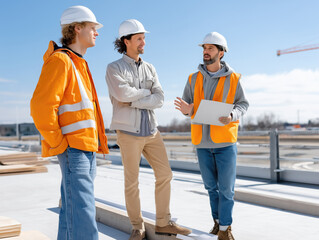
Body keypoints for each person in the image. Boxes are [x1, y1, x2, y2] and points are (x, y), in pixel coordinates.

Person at [105, 19, 191, 240]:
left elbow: (160, 99)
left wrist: (135, 97)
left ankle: (163, 222)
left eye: (144, 38)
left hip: (152, 131)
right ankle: (137, 226)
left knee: (165, 175)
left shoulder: (150, 67)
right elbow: (122, 95)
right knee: (131, 182)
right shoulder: (114, 68)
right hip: (128, 133)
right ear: (126, 41)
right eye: (139, 38)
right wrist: (145, 94)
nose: (144, 42)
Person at [30, 6, 108, 240]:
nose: (97, 33)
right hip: (73, 148)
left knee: (72, 210)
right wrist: (59, 143)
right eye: (93, 28)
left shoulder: (78, 63)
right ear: (77, 28)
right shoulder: (61, 61)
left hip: (85, 148)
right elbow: (41, 108)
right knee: (83, 212)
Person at [174, 32, 249, 240]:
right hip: (202, 142)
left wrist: (233, 114)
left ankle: (225, 229)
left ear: (221, 52)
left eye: (210, 48)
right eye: (204, 48)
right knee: (211, 188)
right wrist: (187, 110)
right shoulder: (193, 78)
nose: (206, 52)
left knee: (226, 189)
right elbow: (187, 107)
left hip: (225, 142)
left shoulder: (234, 78)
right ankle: (217, 222)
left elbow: (243, 104)